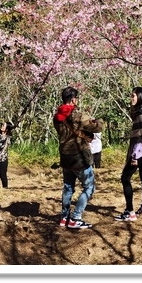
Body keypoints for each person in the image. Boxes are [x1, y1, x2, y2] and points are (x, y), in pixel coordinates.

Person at [53, 86, 104, 229]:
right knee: (89, 187)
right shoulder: (78, 115)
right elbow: (97, 127)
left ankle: (64, 217)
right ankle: (76, 217)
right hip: (79, 157)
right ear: (73, 99)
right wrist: (99, 120)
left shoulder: (56, 118)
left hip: (65, 157)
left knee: (68, 188)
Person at [115, 86, 142, 222]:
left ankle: (129, 211)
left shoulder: (141, 114)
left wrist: (134, 157)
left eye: (133, 96)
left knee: (125, 178)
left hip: (138, 152)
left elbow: (140, 138)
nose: (131, 98)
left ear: (140, 97)